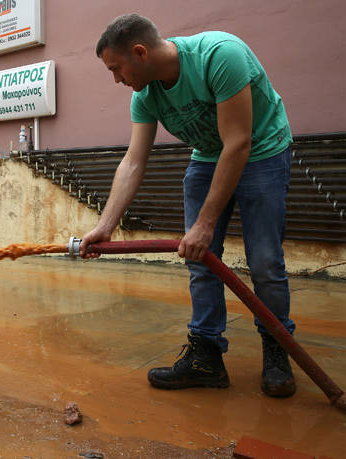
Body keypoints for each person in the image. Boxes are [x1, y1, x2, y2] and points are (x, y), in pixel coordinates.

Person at [79, 13, 296, 398]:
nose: (116, 79)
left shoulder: (219, 56)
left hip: (261, 149)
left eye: (116, 68)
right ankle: (206, 356)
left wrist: (206, 223)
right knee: (198, 259)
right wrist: (106, 224)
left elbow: (238, 143)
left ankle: (277, 347)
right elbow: (133, 161)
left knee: (264, 260)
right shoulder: (145, 94)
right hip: (209, 155)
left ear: (140, 52)